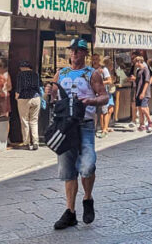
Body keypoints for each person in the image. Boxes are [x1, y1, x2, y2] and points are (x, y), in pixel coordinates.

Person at [51, 38, 109, 230]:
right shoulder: (61, 73)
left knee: (88, 165)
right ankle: (70, 211)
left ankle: (88, 198)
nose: (74, 53)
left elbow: (104, 96)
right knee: (68, 170)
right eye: (72, 50)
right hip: (65, 125)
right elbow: (53, 94)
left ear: (85, 53)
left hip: (84, 124)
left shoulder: (92, 74)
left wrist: (91, 101)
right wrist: (49, 92)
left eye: (78, 50)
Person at [14, 60, 41, 150]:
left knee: (24, 121)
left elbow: (19, 87)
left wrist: (16, 96)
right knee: (34, 120)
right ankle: (36, 142)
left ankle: (26, 143)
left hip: (24, 98)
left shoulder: (21, 74)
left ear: (22, 67)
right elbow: (39, 86)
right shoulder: (35, 74)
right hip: (36, 97)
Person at [133, 56, 152, 132]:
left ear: (139, 62)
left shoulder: (146, 69)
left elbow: (147, 81)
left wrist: (143, 92)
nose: (135, 64)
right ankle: (142, 125)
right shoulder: (138, 71)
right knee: (140, 109)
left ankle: (150, 121)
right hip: (138, 92)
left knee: (143, 108)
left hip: (144, 92)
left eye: (135, 62)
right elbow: (138, 82)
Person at [100, 57, 116, 136]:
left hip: (109, 92)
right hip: (105, 92)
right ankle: (104, 127)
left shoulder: (108, 71)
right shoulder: (104, 70)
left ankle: (106, 126)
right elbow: (109, 81)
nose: (112, 65)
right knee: (104, 110)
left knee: (111, 109)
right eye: (111, 64)